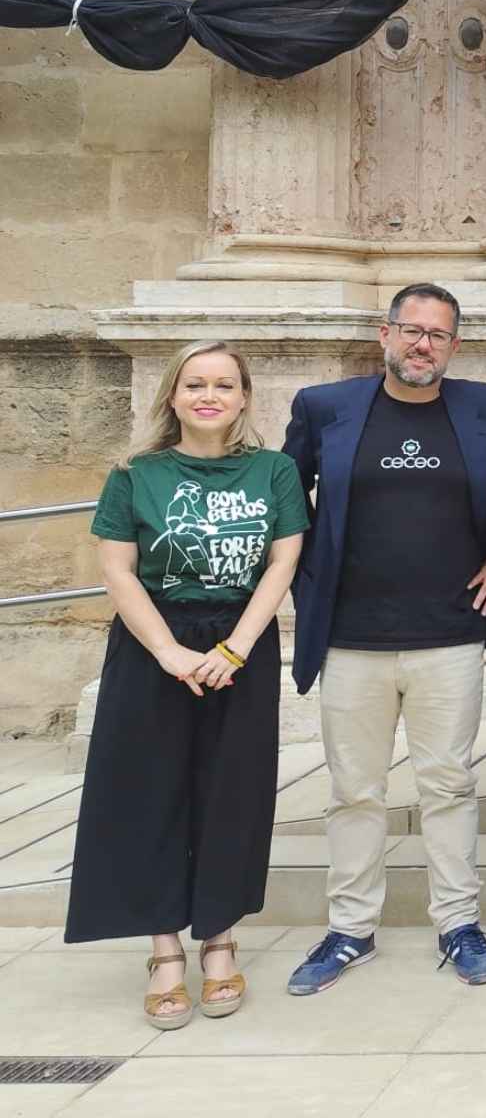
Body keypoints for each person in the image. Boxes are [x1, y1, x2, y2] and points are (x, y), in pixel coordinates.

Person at [281, 285, 486, 995]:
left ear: (455, 345)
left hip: (449, 632)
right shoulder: (325, 408)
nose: (422, 345)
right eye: (410, 331)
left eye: (438, 335)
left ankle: (459, 924)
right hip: (353, 636)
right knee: (355, 789)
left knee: (449, 783)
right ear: (384, 335)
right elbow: (286, 506)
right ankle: (350, 929)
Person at [67, 340, 307, 1029]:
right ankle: (165, 950)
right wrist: (170, 651)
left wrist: (235, 647)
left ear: (243, 399)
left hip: (241, 646)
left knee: (232, 795)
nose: (209, 396)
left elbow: (283, 562)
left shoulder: (274, 470)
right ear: (172, 395)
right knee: (150, 795)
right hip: (153, 646)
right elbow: (118, 571)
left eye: (224, 386)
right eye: (195, 384)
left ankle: (220, 940)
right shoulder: (135, 474)